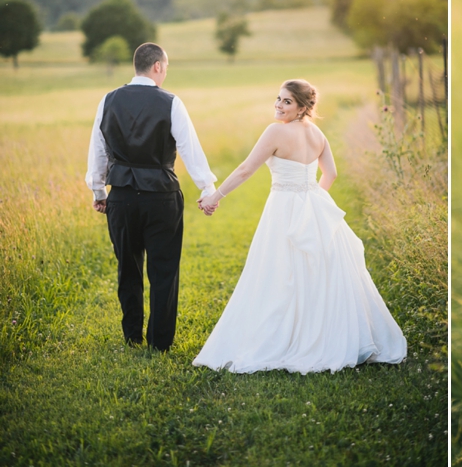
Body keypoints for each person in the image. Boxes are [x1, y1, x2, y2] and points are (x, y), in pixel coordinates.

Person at [191, 79, 406, 374]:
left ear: (302, 107)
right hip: (313, 204)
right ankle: (315, 333)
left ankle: (284, 336)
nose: (279, 106)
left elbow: (245, 169)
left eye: (287, 102)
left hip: (284, 206)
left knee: (279, 271)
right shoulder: (318, 134)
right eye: (278, 99)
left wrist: (215, 197)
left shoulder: (276, 131)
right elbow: (330, 173)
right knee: (314, 272)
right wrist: (313, 202)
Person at [86, 42, 218, 352]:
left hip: (121, 197)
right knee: (163, 270)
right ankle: (159, 343)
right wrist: (207, 188)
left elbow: (99, 150)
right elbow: (189, 148)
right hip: (161, 197)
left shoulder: (107, 100)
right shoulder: (171, 102)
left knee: (127, 268)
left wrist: (98, 191)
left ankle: (132, 336)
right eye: (166, 68)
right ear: (157, 66)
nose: (165, 73)